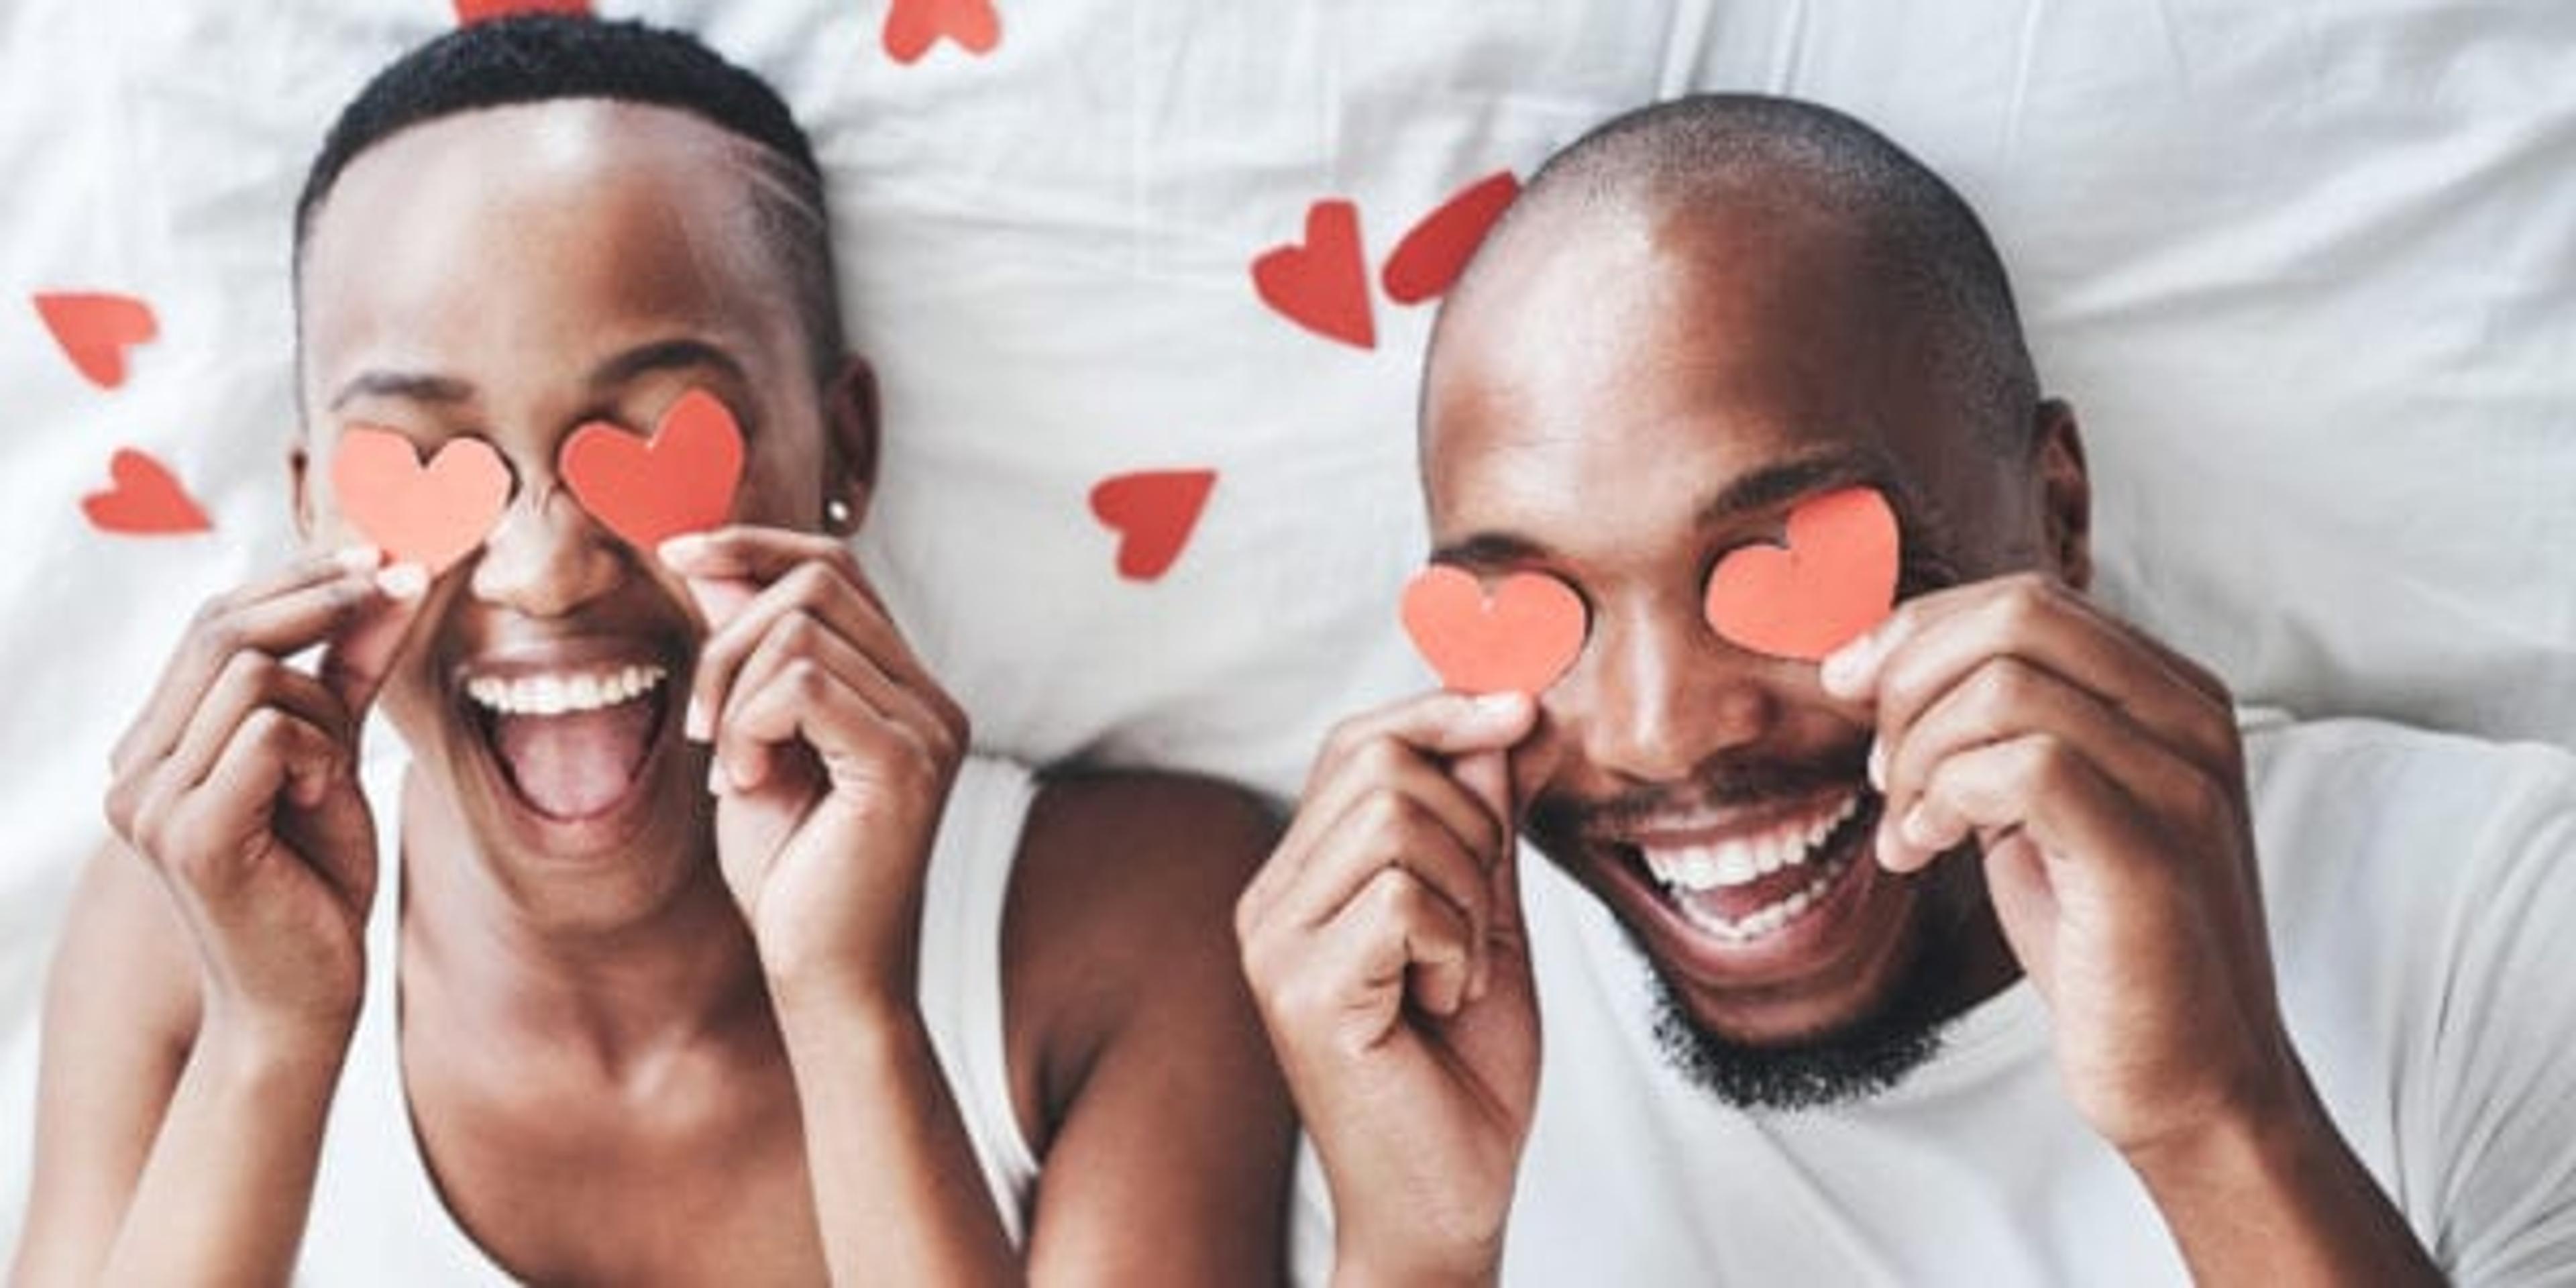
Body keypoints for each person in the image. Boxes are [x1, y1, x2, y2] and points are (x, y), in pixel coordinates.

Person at [11, 17, 1291, 1286]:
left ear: (845, 449)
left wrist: (850, 1012)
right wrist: (269, 1038)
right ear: (310, 508)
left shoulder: (1133, 928)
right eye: (425, 461)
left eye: (661, 437)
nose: (545, 567)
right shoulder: (178, 935)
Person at [1239, 94, 2576, 1285]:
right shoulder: (1428, 1039)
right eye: (1537, 614)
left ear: (2056, 516)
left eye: (1783, 564)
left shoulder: (2497, 920)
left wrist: (2219, 1118)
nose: (1657, 732)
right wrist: (1415, 1249)